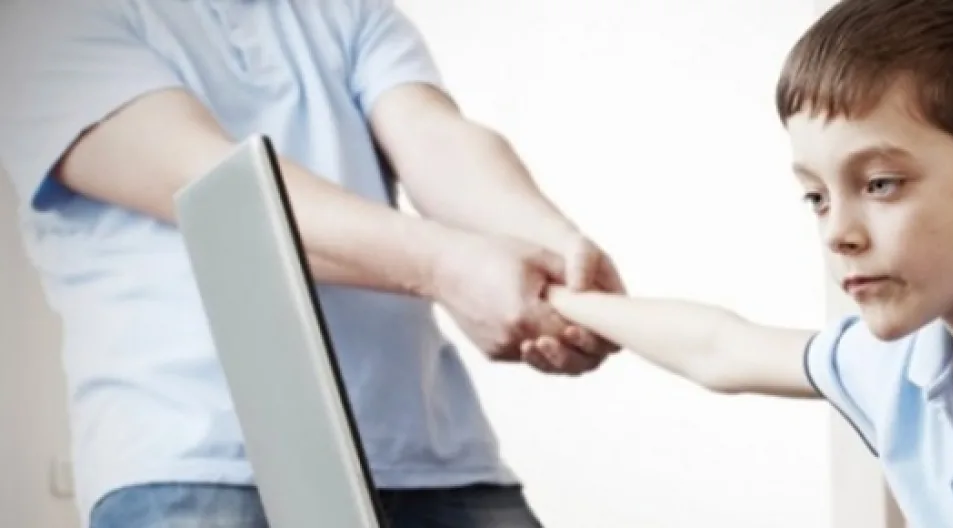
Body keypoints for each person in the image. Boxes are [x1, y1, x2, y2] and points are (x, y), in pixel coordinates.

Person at [545, 0, 953, 526]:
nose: (837, 232)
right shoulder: (905, 360)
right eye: (816, 197)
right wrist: (568, 300)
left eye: (881, 184)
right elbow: (721, 348)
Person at [0, 0, 623, 526]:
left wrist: (556, 251)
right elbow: (221, 192)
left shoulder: (348, 10)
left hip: (434, 459)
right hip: (202, 466)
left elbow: (436, 139)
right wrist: (449, 266)